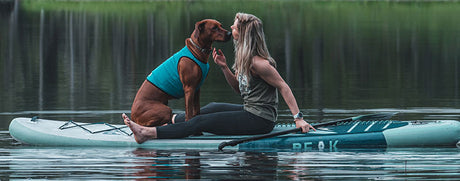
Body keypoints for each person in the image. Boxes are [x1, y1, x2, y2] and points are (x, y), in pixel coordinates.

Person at [123, 12, 315, 144]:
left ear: (244, 33)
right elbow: (240, 91)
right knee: (212, 107)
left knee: (199, 122)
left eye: (235, 26)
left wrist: (298, 119)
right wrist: (224, 68)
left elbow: (284, 87)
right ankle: (171, 121)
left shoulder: (259, 63)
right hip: (250, 111)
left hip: (260, 120)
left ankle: (147, 133)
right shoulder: (245, 59)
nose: (231, 28)